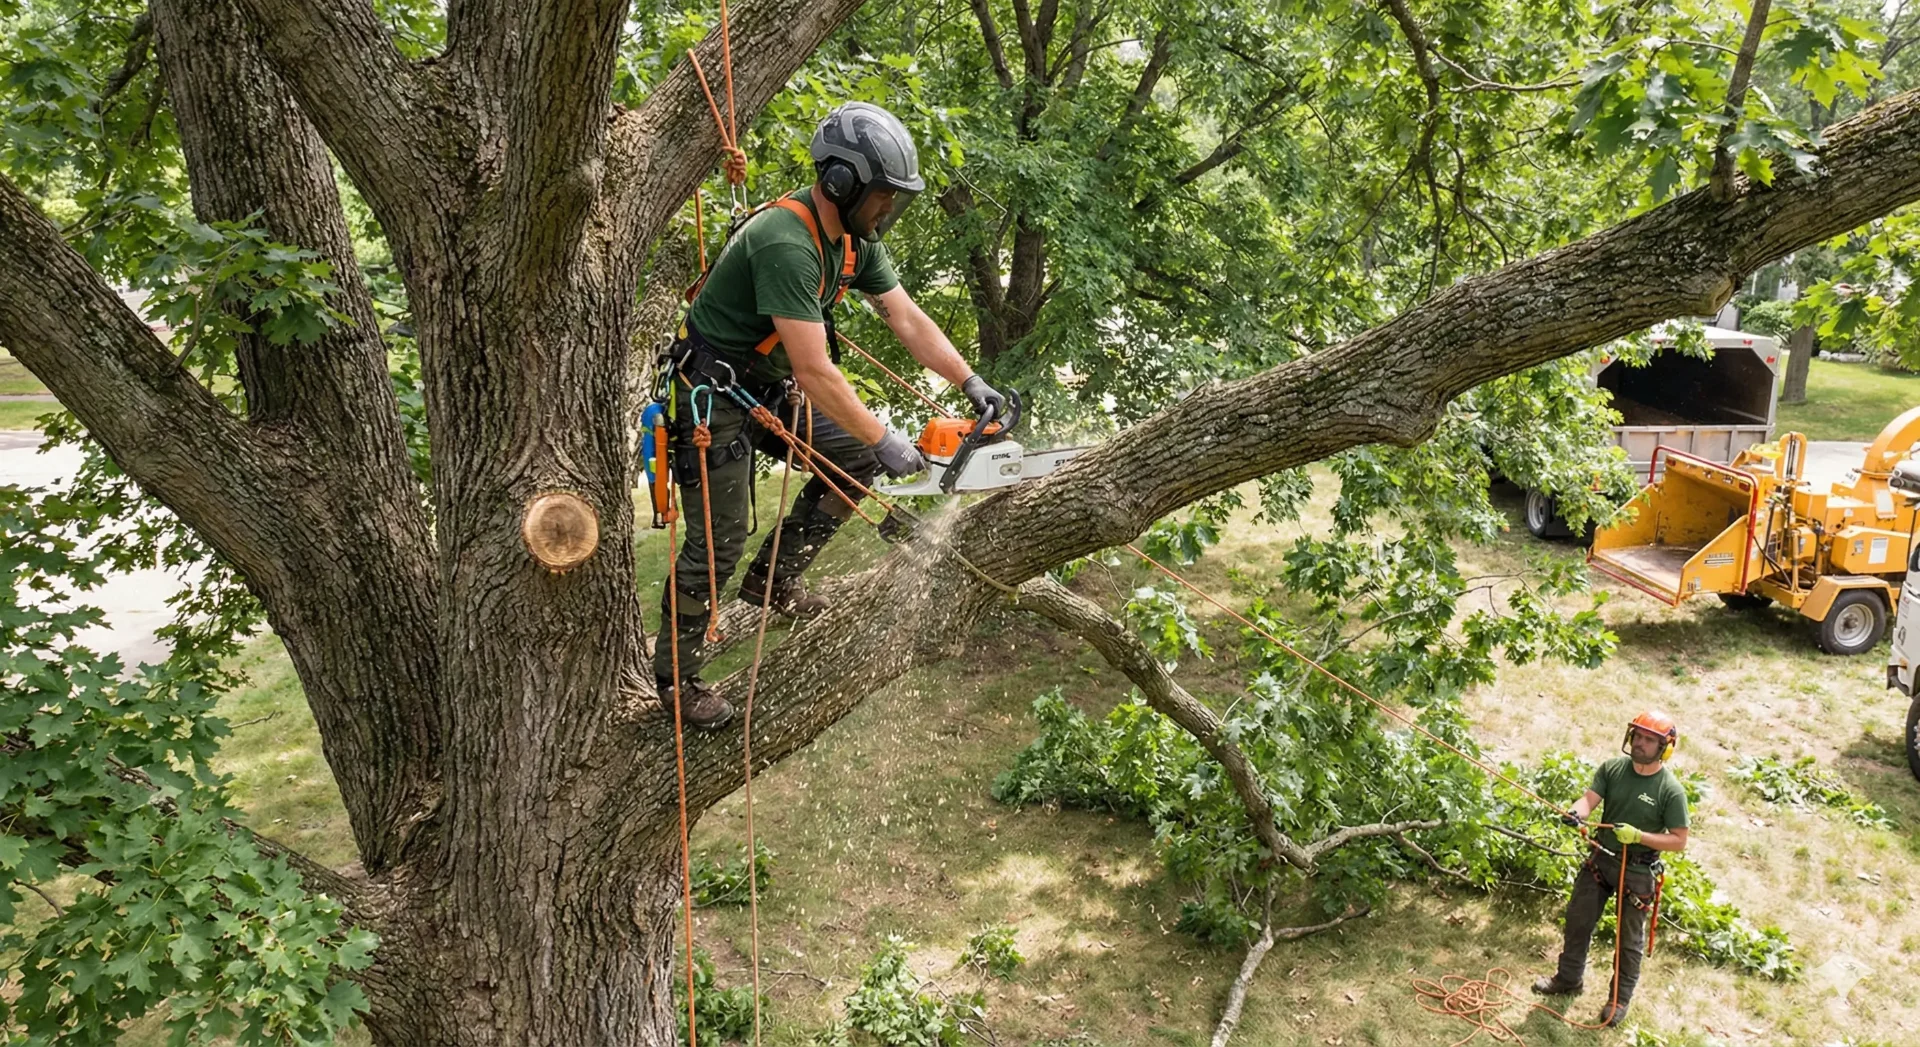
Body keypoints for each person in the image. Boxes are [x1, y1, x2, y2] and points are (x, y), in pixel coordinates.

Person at [654, 101, 1006, 729]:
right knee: (718, 541)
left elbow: (906, 317)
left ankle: (773, 581)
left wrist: (969, 379)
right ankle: (675, 680)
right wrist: (887, 436)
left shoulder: (852, 241)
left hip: (766, 388)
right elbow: (816, 372)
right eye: (881, 197)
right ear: (842, 182)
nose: (887, 211)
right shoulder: (785, 243)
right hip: (712, 398)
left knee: (856, 463)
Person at [1532, 711, 1690, 1027]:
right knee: (1578, 920)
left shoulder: (1669, 791)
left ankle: (1618, 1001)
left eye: (1649, 740)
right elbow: (1589, 800)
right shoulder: (1613, 769)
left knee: (1628, 942)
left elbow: (1678, 840)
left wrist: (1640, 836)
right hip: (1601, 859)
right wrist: (1577, 812)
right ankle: (1568, 978)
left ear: (1664, 748)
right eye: (1637, 736)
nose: (1640, 743)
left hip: (1638, 871)